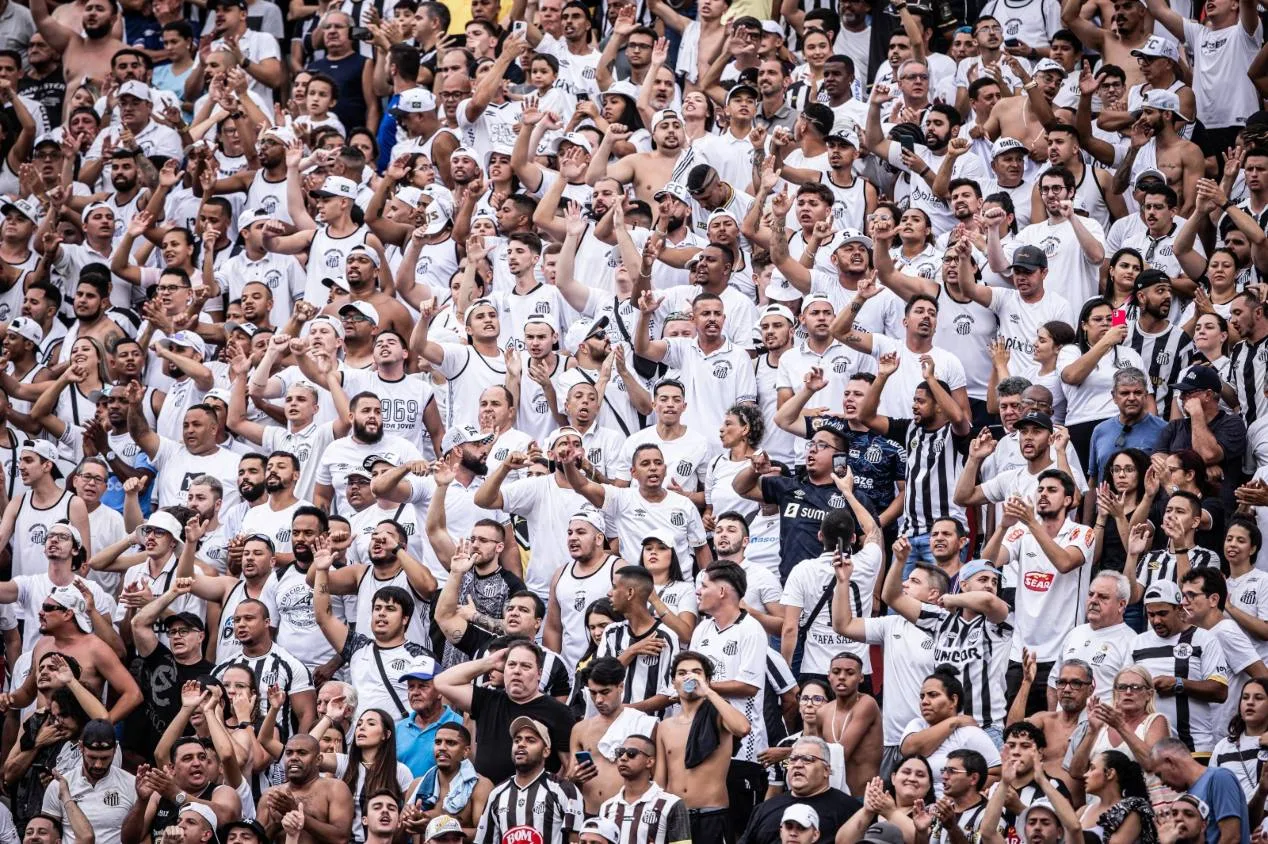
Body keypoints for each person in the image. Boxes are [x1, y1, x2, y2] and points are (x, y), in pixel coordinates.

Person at [472, 717, 582, 844]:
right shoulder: (496, 794)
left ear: (546, 751)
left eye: (530, 740)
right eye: (517, 740)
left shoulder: (564, 790)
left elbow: (577, 840)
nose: (521, 744)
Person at [1151, 738, 1249, 844]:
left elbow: (1231, 838)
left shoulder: (1218, 777)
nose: (1162, 782)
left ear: (1170, 762)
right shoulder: (1190, 794)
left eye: (1159, 774)